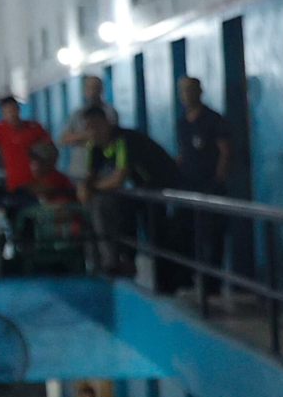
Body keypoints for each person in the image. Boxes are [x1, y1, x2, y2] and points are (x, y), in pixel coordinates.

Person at [84, 110, 181, 277]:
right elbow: (89, 177)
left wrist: (92, 187)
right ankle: (120, 262)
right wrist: (85, 187)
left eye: (96, 126)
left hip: (162, 185)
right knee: (122, 215)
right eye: (88, 128)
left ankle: (168, 280)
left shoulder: (123, 139)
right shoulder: (94, 145)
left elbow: (118, 178)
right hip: (141, 189)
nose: (93, 132)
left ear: (107, 124)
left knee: (159, 234)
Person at [175, 76, 234, 287]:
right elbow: (183, 152)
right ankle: (189, 276)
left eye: (190, 89)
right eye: (183, 91)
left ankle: (212, 283)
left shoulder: (213, 119)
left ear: (200, 91)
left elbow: (225, 151)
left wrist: (218, 180)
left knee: (212, 234)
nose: (187, 95)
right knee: (187, 231)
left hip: (209, 185)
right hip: (188, 185)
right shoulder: (182, 122)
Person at [0, 94, 53, 194]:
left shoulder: (34, 127)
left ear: (18, 110)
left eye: (13, 110)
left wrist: (48, 170)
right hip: (13, 182)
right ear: (3, 114)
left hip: (36, 182)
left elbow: (51, 149)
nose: (11, 114)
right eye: (7, 112)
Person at [57, 73, 117, 181]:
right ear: (84, 90)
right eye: (89, 88)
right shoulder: (77, 114)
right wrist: (87, 135)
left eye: (96, 87)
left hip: (105, 171)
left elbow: (110, 136)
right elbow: (63, 139)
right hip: (79, 171)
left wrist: (80, 137)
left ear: (101, 90)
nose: (93, 91)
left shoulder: (110, 113)